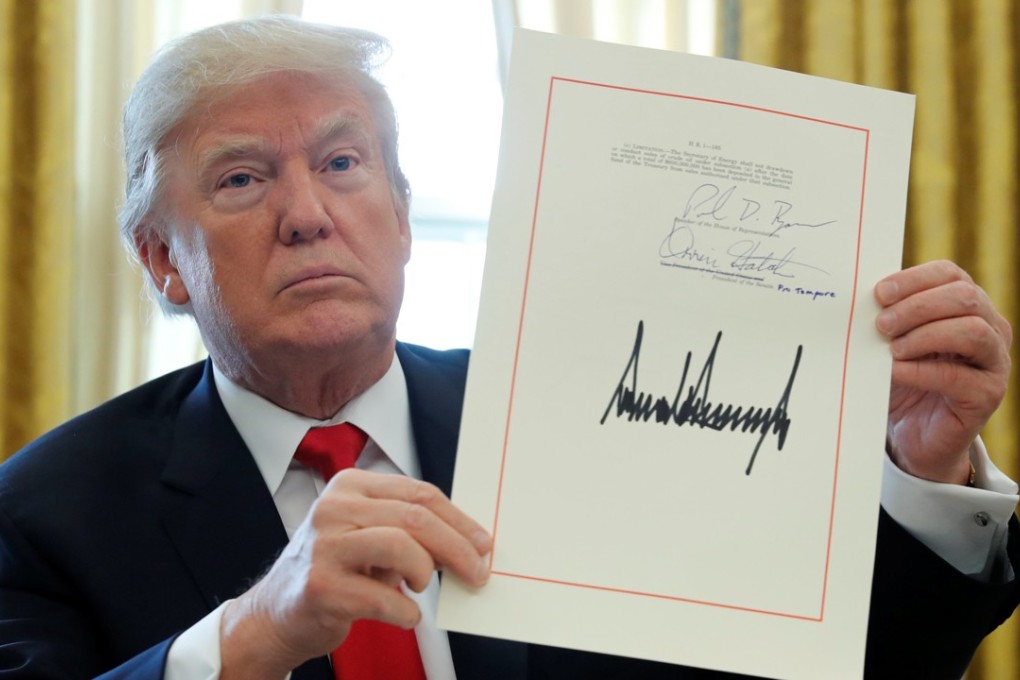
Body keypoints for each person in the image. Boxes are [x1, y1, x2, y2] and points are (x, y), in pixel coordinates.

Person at [0, 14, 1016, 680]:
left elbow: (825, 666)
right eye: (241, 179)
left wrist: (916, 470)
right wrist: (258, 628)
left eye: (344, 161)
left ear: (399, 213)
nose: (307, 213)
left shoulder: (585, 422)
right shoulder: (44, 513)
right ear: (163, 260)